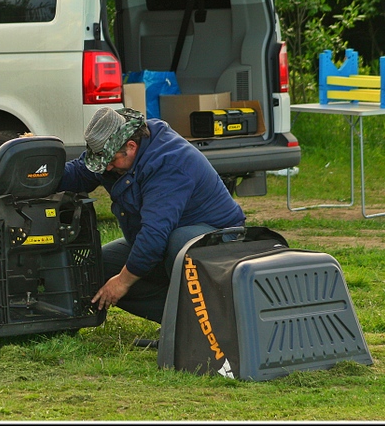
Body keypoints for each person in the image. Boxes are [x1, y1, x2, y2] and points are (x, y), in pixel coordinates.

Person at [58, 106, 246, 323]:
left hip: (219, 241)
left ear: (131, 146)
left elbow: (154, 235)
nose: (107, 168)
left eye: (111, 161)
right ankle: (179, 324)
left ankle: (208, 323)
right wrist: (38, 171)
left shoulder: (169, 162)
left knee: (181, 245)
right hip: (166, 238)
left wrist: (122, 282)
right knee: (97, 267)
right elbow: (79, 173)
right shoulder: (116, 152)